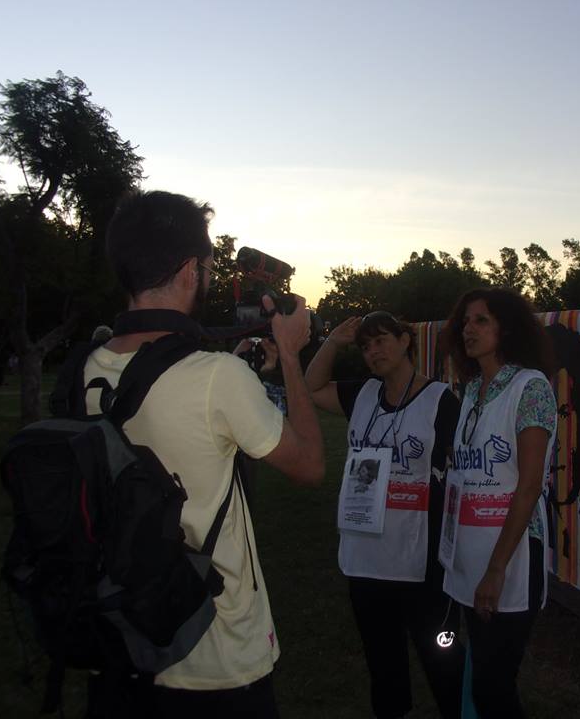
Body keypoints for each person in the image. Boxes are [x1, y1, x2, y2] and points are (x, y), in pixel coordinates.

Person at [86, 189, 325, 717]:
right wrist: (289, 355)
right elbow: (310, 465)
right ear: (191, 270)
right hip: (216, 658)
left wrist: (237, 369)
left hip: (122, 644)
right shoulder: (218, 378)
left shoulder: (85, 369)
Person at [305, 311, 466, 719]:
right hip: (364, 557)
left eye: (380, 341)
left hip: (420, 561)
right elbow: (312, 388)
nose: (373, 351)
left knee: (442, 658)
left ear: (405, 340)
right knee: (383, 662)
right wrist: (332, 342)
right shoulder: (363, 394)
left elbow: (463, 471)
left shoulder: (440, 400)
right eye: (365, 346)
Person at [441, 288, 557, 719]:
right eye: (465, 322)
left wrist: (495, 569)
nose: (468, 330)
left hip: (512, 560)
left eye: (481, 321)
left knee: (494, 685)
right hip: (470, 553)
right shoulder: (472, 390)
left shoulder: (530, 388)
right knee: (483, 677)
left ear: (506, 329)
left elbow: (528, 486)